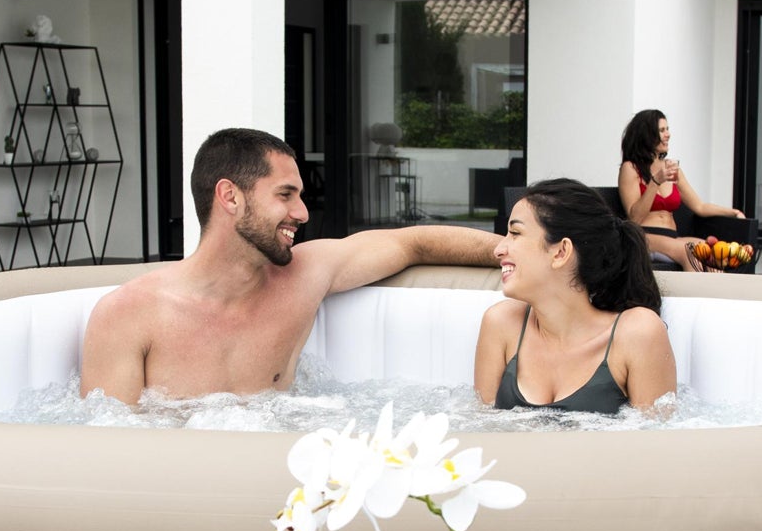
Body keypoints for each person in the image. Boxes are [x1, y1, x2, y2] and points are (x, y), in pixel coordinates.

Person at [80, 127, 499, 402]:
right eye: (285, 195)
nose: (301, 213)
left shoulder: (305, 275)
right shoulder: (129, 315)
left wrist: (521, 251)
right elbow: (108, 453)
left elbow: (415, 244)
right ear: (230, 197)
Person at [474, 178, 677, 414]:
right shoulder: (501, 324)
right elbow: (483, 430)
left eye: (515, 233)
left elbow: (655, 444)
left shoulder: (637, 333)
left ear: (561, 252)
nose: (498, 249)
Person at [617, 109, 745, 272]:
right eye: (662, 130)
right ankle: (695, 296)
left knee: (712, 252)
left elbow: (700, 206)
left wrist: (732, 212)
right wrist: (655, 181)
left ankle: (713, 295)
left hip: (672, 237)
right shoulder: (631, 168)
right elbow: (634, 217)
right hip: (645, 236)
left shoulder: (671, 168)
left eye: (667, 129)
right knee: (692, 251)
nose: (668, 134)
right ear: (647, 135)